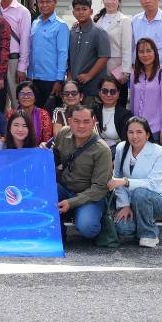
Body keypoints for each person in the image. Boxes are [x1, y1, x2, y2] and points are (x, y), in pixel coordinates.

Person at [108, 116, 162, 248]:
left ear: (147, 134)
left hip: (155, 199)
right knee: (124, 229)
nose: (134, 136)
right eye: (130, 132)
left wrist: (126, 181)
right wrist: (124, 205)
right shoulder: (121, 147)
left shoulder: (159, 152)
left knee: (140, 193)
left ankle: (149, 234)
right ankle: (141, 222)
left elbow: (152, 184)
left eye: (139, 132)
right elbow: (116, 177)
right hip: (129, 200)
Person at [53, 104, 113, 243]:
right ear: (69, 121)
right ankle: (58, 228)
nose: (81, 126)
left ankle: (96, 217)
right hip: (65, 189)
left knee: (88, 228)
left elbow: (99, 188)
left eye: (86, 121)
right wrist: (44, 150)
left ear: (93, 122)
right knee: (44, 191)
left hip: (89, 195)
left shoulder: (102, 150)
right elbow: (54, 158)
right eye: (76, 121)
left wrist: (72, 203)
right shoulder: (63, 133)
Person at [127, 38, 162, 146]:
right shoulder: (134, 75)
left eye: (148, 51)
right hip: (137, 130)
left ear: (155, 52)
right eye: (141, 51)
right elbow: (132, 104)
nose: (145, 55)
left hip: (156, 130)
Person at [27, 0, 69, 105]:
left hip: (51, 79)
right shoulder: (35, 23)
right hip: (34, 78)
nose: (44, 5)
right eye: (41, 2)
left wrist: (59, 80)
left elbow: (63, 53)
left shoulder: (61, 26)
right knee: (36, 115)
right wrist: (29, 74)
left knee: (51, 116)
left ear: (55, 3)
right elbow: (31, 50)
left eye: (48, 2)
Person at [67, 0, 111, 94]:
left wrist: (89, 75)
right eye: (77, 9)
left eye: (84, 9)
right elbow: (69, 56)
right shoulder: (72, 31)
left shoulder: (99, 32)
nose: (81, 12)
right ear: (73, 12)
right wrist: (69, 75)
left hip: (92, 87)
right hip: (73, 87)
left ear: (91, 11)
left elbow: (104, 57)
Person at [93, 0, 133, 92]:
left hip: (116, 68)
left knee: (117, 98)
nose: (110, 2)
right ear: (103, 0)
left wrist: (125, 71)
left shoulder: (125, 20)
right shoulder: (97, 19)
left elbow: (127, 47)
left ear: (119, 1)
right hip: (98, 66)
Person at [11, 82, 54, 147]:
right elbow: (8, 137)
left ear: (35, 97)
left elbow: (46, 140)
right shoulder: (11, 114)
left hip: (37, 151)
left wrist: (43, 145)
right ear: (17, 97)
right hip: (15, 151)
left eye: (29, 94)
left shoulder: (43, 114)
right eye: (22, 94)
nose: (26, 97)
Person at [92, 77, 130, 148]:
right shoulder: (94, 111)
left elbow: (126, 142)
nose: (108, 95)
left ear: (118, 94)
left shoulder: (126, 115)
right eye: (105, 91)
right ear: (99, 93)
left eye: (112, 91)